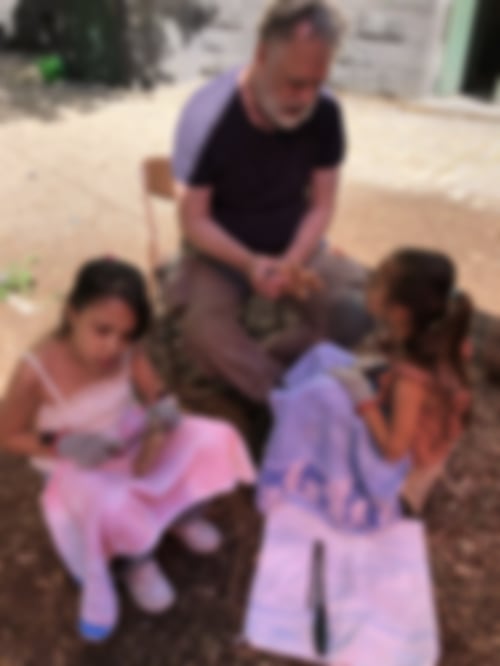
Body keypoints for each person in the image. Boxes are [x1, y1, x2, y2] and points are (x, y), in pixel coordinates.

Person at [0, 258, 254, 641]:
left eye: (125, 335)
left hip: (126, 436)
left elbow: (154, 390)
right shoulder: (34, 371)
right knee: (114, 503)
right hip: (74, 465)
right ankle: (138, 561)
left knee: (211, 439)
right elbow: (7, 435)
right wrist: (62, 444)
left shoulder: (128, 349)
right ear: (72, 313)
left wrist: (163, 409)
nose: (113, 346)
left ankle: (180, 516)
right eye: (102, 330)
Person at [171, 0, 368, 403]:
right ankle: (287, 397)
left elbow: (322, 204)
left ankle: (279, 370)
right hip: (223, 254)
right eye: (295, 83)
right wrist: (248, 262)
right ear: (261, 54)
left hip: (295, 246)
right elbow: (193, 219)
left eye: (317, 83)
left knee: (358, 309)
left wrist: (292, 260)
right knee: (203, 333)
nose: (306, 98)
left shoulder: (326, 112)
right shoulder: (207, 115)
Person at [259, 249, 472, 530]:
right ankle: (292, 423)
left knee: (324, 392)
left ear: (399, 311)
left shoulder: (411, 382)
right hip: (404, 420)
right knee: (325, 355)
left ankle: (294, 469)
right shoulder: (439, 337)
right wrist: (376, 373)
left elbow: (394, 451)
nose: (369, 284)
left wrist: (363, 398)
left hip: (401, 469)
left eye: (378, 281)